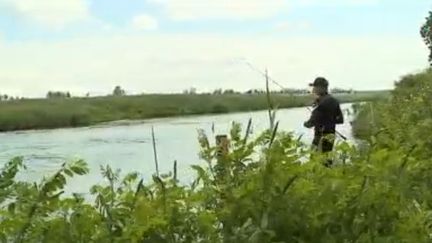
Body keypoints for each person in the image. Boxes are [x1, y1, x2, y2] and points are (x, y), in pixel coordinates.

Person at [303, 77, 344, 167]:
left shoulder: (321, 103)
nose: (313, 90)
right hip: (331, 136)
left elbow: (310, 124)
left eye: (315, 87)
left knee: (314, 161)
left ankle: (315, 180)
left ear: (321, 88)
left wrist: (305, 123)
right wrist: (329, 121)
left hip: (319, 136)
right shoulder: (334, 101)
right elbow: (340, 120)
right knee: (327, 160)